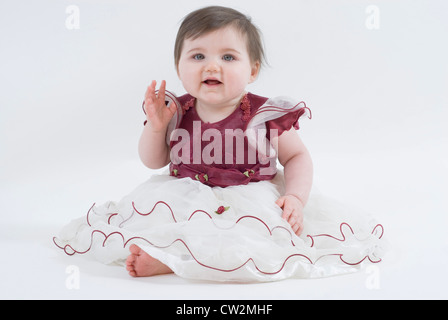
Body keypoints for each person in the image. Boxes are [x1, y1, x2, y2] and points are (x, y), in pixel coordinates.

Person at [54, 6, 386, 282]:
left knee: (249, 238)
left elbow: (298, 156)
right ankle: (169, 257)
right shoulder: (174, 110)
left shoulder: (264, 114)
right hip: (185, 195)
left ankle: (174, 262)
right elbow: (152, 161)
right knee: (168, 223)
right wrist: (156, 128)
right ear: (179, 68)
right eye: (198, 55)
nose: (212, 65)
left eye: (228, 57)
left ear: (253, 69)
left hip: (251, 198)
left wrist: (296, 198)